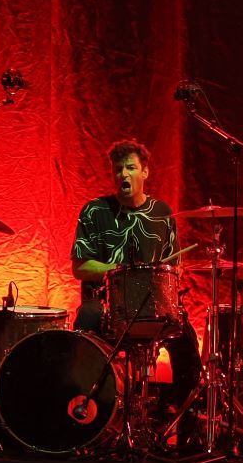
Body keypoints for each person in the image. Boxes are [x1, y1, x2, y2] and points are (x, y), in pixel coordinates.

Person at [70, 138, 200, 418]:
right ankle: (87, 409)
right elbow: (79, 267)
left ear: (145, 172)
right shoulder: (95, 211)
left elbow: (175, 267)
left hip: (153, 305)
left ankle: (183, 414)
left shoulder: (162, 213)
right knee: (85, 321)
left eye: (130, 168)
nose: (123, 175)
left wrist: (164, 275)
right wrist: (117, 270)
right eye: (118, 169)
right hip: (106, 305)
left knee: (187, 338)